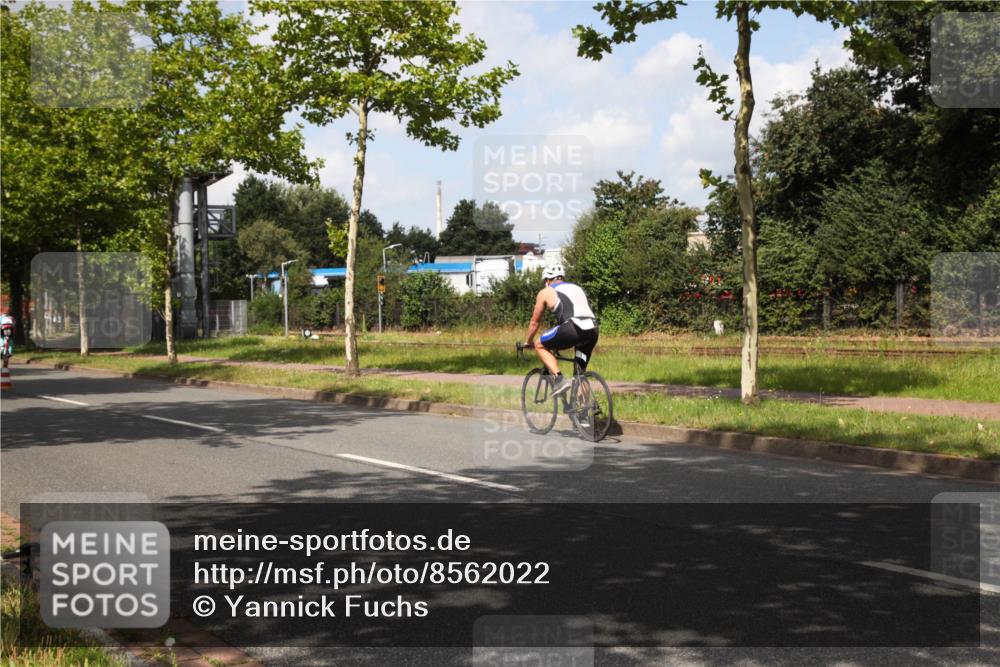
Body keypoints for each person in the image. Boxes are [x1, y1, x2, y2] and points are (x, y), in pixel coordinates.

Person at [524, 265, 598, 396]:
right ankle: (587, 410)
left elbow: (534, 322)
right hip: (592, 330)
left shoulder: (545, 292)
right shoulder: (577, 287)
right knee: (579, 373)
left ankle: (559, 380)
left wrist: (528, 341)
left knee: (539, 344)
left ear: (547, 281)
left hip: (573, 328)